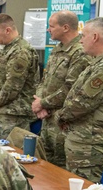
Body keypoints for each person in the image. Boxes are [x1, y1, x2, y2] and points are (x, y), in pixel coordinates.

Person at [57, 17, 103, 182]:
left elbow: (82, 103)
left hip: (89, 141)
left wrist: (60, 116)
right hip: (84, 137)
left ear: (95, 37)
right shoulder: (99, 62)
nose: (81, 40)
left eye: (84, 36)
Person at [32, 11, 89, 165]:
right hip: (47, 119)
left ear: (65, 27)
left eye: (51, 26)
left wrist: (43, 103)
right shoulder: (57, 49)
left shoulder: (80, 52)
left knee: (60, 170)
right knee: (46, 166)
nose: (48, 30)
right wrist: (39, 102)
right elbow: (43, 81)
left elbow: (71, 88)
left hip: (63, 122)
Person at [0, 13, 38, 138]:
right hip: (4, 111)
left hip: (14, 114)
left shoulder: (20, 51)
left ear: (7, 30)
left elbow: (12, 87)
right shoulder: (9, 49)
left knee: (9, 152)